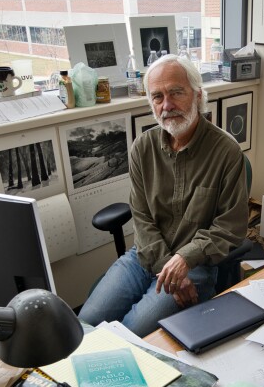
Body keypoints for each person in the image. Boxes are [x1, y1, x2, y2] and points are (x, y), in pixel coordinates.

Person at [79, 54, 248, 337]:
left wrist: (183, 260)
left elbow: (230, 227)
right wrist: (166, 268)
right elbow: (142, 218)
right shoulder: (142, 148)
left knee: (135, 334)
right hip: (145, 256)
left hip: (195, 265)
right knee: (85, 322)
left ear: (197, 95)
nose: (166, 105)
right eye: (157, 97)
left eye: (176, 93)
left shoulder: (226, 152)